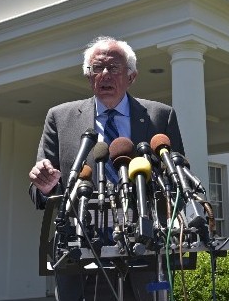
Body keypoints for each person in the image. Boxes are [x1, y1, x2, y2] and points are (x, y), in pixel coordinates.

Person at [28, 36, 185, 301]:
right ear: (88, 76)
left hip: (145, 254)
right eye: (96, 68)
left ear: (131, 76)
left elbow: (177, 182)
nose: (104, 75)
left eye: (113, 68)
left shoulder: (160, 116)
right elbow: (41, 191)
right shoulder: (60, 118)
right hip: (81, 254)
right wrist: (47, 187)